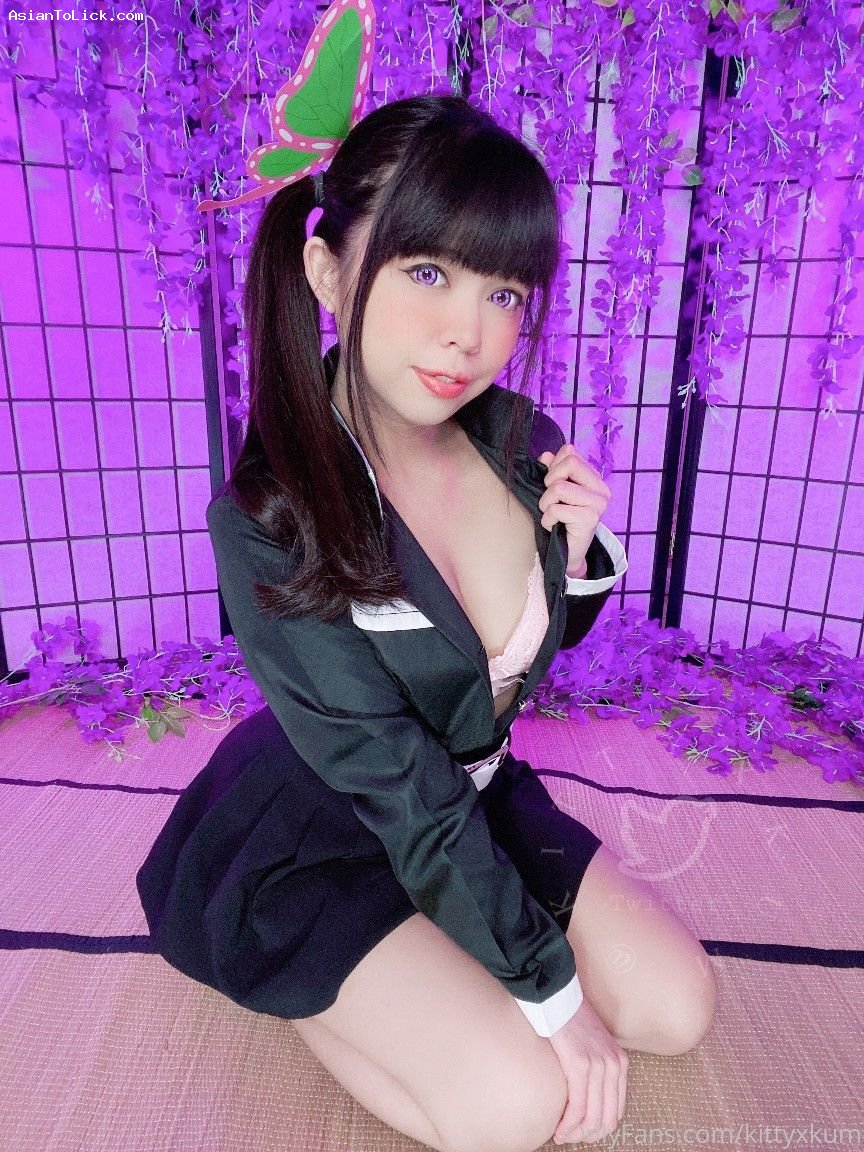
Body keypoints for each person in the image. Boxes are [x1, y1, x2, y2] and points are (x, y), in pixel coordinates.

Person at [136, 94, 717, 1152]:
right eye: (426, 273)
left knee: (679, 1009)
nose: (471, 333)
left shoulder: (516, 438)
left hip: (471, 798)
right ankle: (304, 976)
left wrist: (579, 556)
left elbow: (503, 661)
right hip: (330, 824)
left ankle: (437, 972)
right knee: (513, 1105)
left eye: (503, 291)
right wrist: (550, 995)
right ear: (328, 274)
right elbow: (399, 784)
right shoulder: (271, 518)